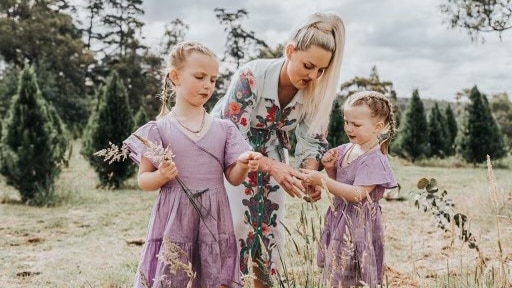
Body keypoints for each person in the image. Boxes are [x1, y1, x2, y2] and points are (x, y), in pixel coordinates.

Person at [211, 12, 346, 287]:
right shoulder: (252, 75)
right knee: (237, 225)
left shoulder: (315, 91)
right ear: (290, 51)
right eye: (308, 65)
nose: (313, 76)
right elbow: (232, 133)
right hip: (228, 154)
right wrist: (276, 167)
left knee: (270, 229)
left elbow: (312, 140)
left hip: (272, 149)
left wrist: (307, 177)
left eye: (320, 70)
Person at [124, 41, 262, 288]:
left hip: (213, 217)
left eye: (213, 79)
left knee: (213, 275)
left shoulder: (223, 129)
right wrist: (160, 177)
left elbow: (233, 178)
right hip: (174, 218)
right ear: (175, 77)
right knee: (171, 276)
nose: (208, 85)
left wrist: (242, 163)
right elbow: (143, 179)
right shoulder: (159, 130)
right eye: (199, 77)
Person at [299, 91, 398, 287]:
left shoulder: (374, 159)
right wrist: (330, 169)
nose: (348, 128)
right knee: (338, 272)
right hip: (340, 217)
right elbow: (342, 187)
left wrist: (323, 181)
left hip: (360, 223)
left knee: (354, 273)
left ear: (378, 127)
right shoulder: (347, 149)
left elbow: (357, 194)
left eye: (356, 124)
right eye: (346, 122)